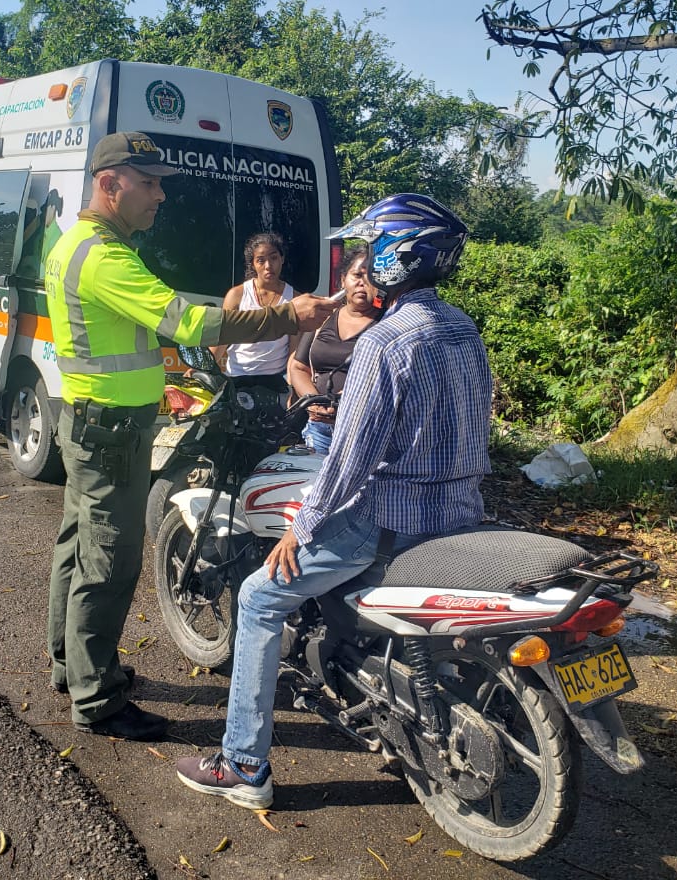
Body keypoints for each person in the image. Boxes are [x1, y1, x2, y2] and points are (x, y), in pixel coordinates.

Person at [174, 193, 493, 807]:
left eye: (370, 249)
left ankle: (244, 766)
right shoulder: (462, 328)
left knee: (258, 597)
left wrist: (304, 527)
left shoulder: (385, 342)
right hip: (458, 513)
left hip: (387, 520)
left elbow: (350, 459)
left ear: (396, 257)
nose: (360, 263)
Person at [42, 131, 336, 742]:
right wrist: (288, 315)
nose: (161, 196)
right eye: (150, 183)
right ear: (110, 184)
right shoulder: (104, 257)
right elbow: (189, 323)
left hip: (89, 421)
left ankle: (72, 666)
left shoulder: (76, 243)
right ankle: (98, 700)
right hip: (110, 433)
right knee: (109, 560)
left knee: (78, 546)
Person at [288, 247, 379, 453]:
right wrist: (313, 403)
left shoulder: (386, 324)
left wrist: (343, 403)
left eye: (371, 277)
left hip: (361, 430)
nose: (362, 283)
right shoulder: (324, 317)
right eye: (357, 275)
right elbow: (298, 367)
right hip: (319, 427)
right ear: (343, 280)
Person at [212, 233, 296, 393]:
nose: (268, 266)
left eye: (273, 258)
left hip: (275, 383)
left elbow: (294, 352)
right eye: (261, 260)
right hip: (237, 380)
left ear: (282, 259)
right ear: (253, 264)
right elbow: (221, 340)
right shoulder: (236, 295)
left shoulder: (294, 299)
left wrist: (292, 389)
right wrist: (201, 369)